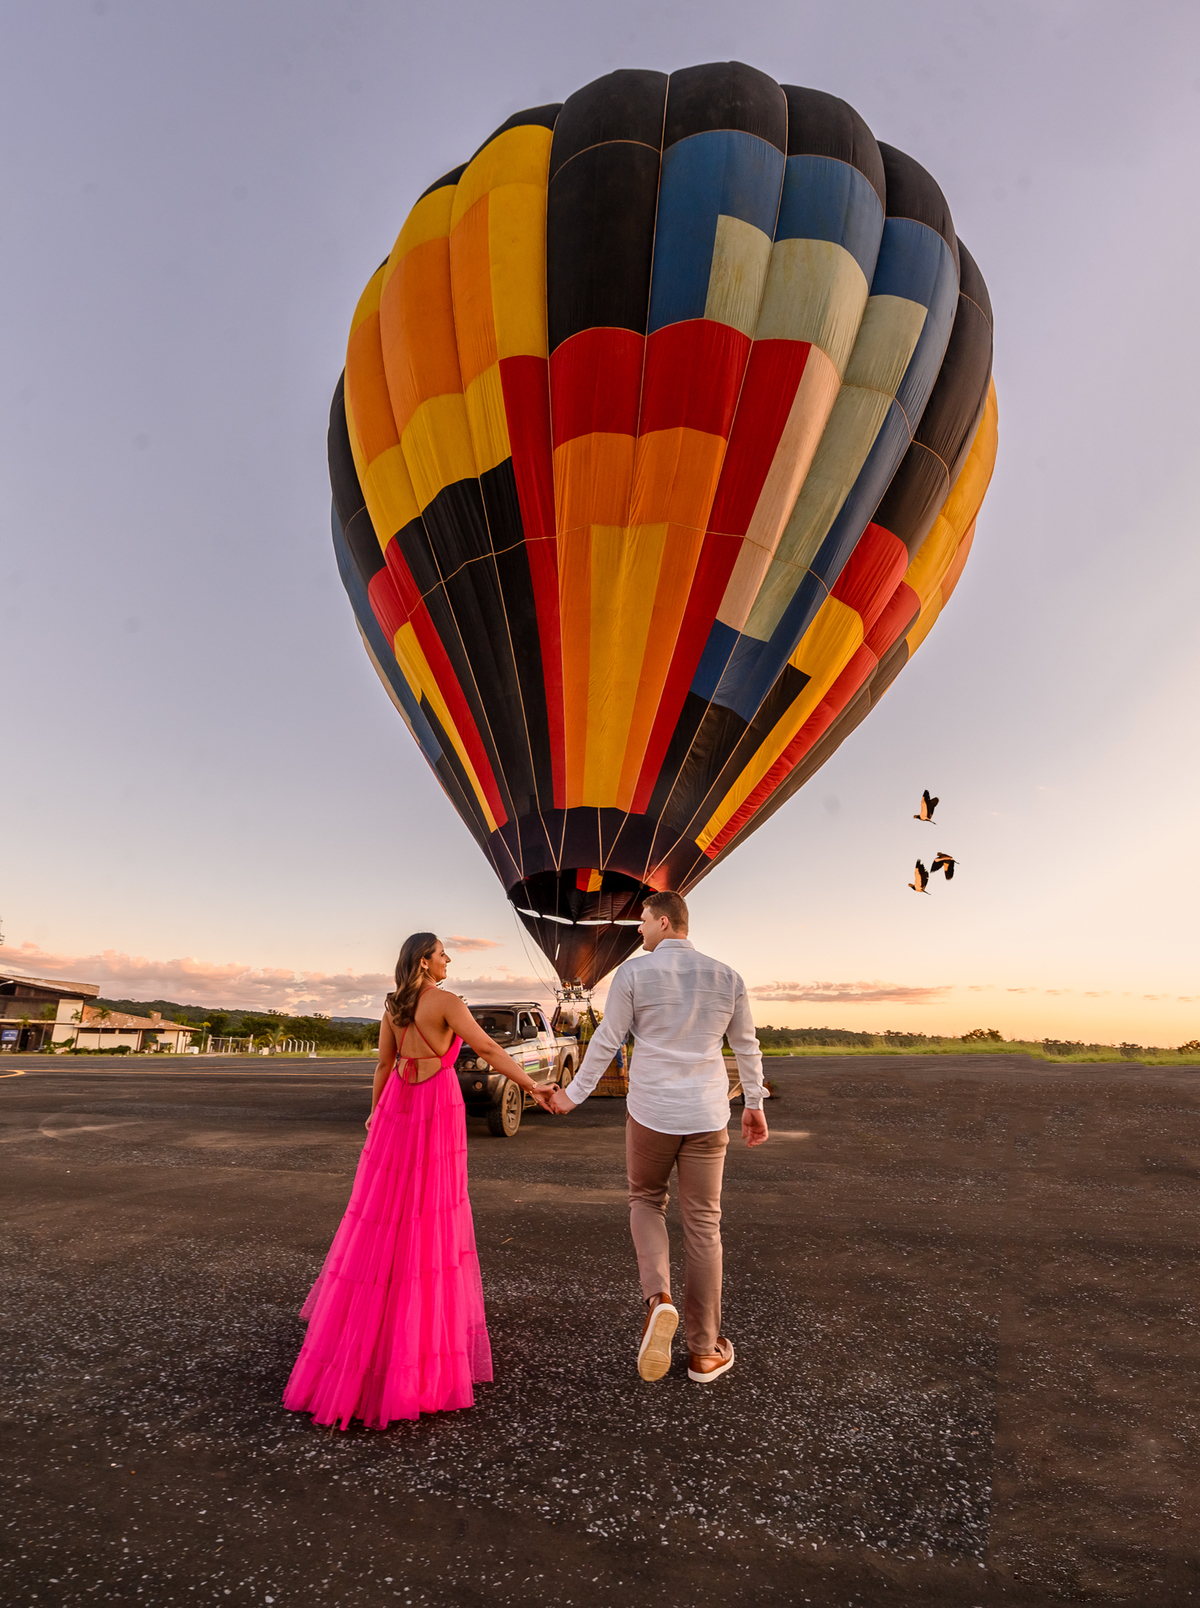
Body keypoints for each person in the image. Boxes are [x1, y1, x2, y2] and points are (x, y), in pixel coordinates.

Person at [283, 933, 553, 1429]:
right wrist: (532, 1084)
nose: (448, 960)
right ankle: (419, 1345)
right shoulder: (447, 1002)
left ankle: (369, 1334)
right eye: (443, 954)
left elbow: (384, 1064)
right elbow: (489, 1047)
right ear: (425, 961)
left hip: (395, 1109)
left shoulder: (395, 1006)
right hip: (436, 1109)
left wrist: (373, 1115)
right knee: (431, 1213)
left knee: (384, 1215)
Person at [549, 891, 768, 1384]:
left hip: (651, 1112)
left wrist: (573, 1095)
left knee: (646, 1200)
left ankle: (659, 1299)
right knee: (704, 1226)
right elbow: (746, 1045)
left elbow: (608, 1039)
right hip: (708, 1115)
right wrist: (753, 1103)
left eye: (643, 922)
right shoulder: (727, 976)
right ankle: (705, 1352)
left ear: (664, 921)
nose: (638, 931)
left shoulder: (632, 973)